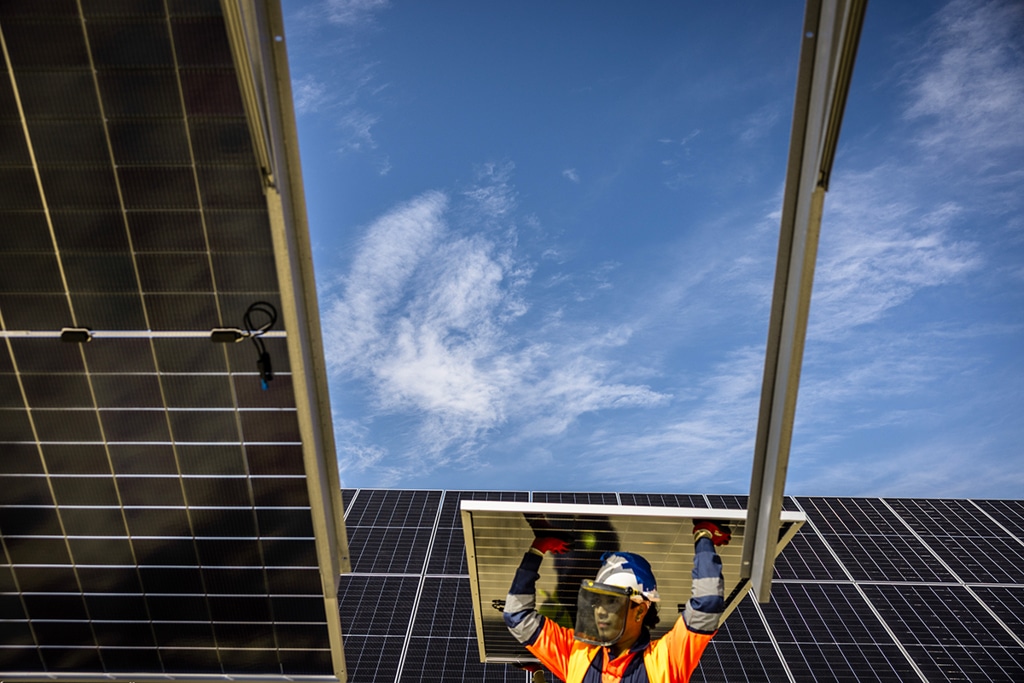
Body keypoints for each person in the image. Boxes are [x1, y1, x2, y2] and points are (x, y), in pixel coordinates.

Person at [504, 520, 731, 683]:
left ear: (640, 610)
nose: (600, 611)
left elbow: (707, 603)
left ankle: (537, 672)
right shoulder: (578, 654)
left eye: (611, 602)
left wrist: (537, 550)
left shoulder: (663, 660)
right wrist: (702, 535)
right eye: (597, 601)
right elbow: (517, 617)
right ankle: (537, 672)